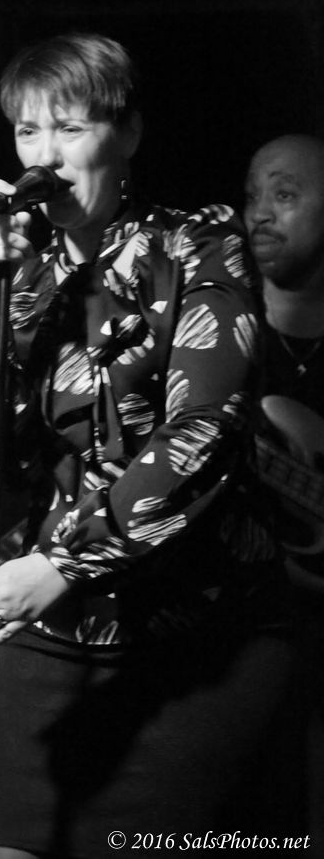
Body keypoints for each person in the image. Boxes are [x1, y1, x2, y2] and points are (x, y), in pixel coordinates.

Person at [0, 32, 294, 859]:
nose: (45, 155)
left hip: (195, 639)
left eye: (70, 128)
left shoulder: (197, 243)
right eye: (28, 131)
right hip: (55, 631)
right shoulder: (23, 276)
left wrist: (61, 564)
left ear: (126, 134)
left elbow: (204, 430)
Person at [244, 133, 324, 850]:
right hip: (245, 635)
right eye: (253, 196)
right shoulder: (219, 325)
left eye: (286, 194)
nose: (260, 213)